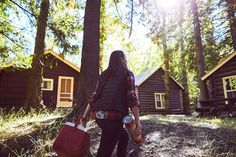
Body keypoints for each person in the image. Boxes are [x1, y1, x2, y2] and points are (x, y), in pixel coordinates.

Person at [77, 50, 141, 157]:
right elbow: (132, 98)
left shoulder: (104, 75)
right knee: (104, 152)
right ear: (122, 59)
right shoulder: (127, 74)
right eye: (125, 58)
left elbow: (94, 96)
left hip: (99, 118)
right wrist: (138, 123)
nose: (126, 61)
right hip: (114, 118)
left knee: (124, 137)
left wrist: (84, 117)